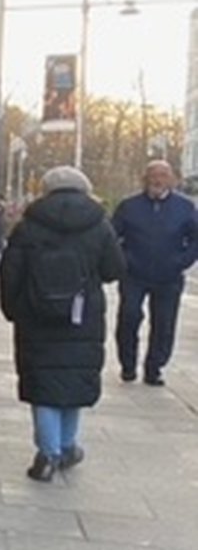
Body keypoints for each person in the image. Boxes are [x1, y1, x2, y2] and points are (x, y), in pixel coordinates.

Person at [0, 165, 124, 481]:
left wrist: (13, 309)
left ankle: (47, 452)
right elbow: (113, 269)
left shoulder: (29, 225)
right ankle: (67, 446)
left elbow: (10, 271)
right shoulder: (99, 225)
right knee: (74, 378)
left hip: (36, 316)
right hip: (82, 316)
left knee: (43, 382)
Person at [109, 158, 197, 385]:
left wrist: (182, 261)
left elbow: (195, 239)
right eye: (153, 176)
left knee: (164, 323)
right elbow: (111, 237)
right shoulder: (129, 206)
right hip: (134, 274)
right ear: (144, 179)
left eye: (163, 175)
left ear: (171, 180)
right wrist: (123, 261)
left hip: (169, 276)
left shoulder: (185, 207)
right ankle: (128, 365)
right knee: (129, 317)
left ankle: (154, 368)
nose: (157, 180)